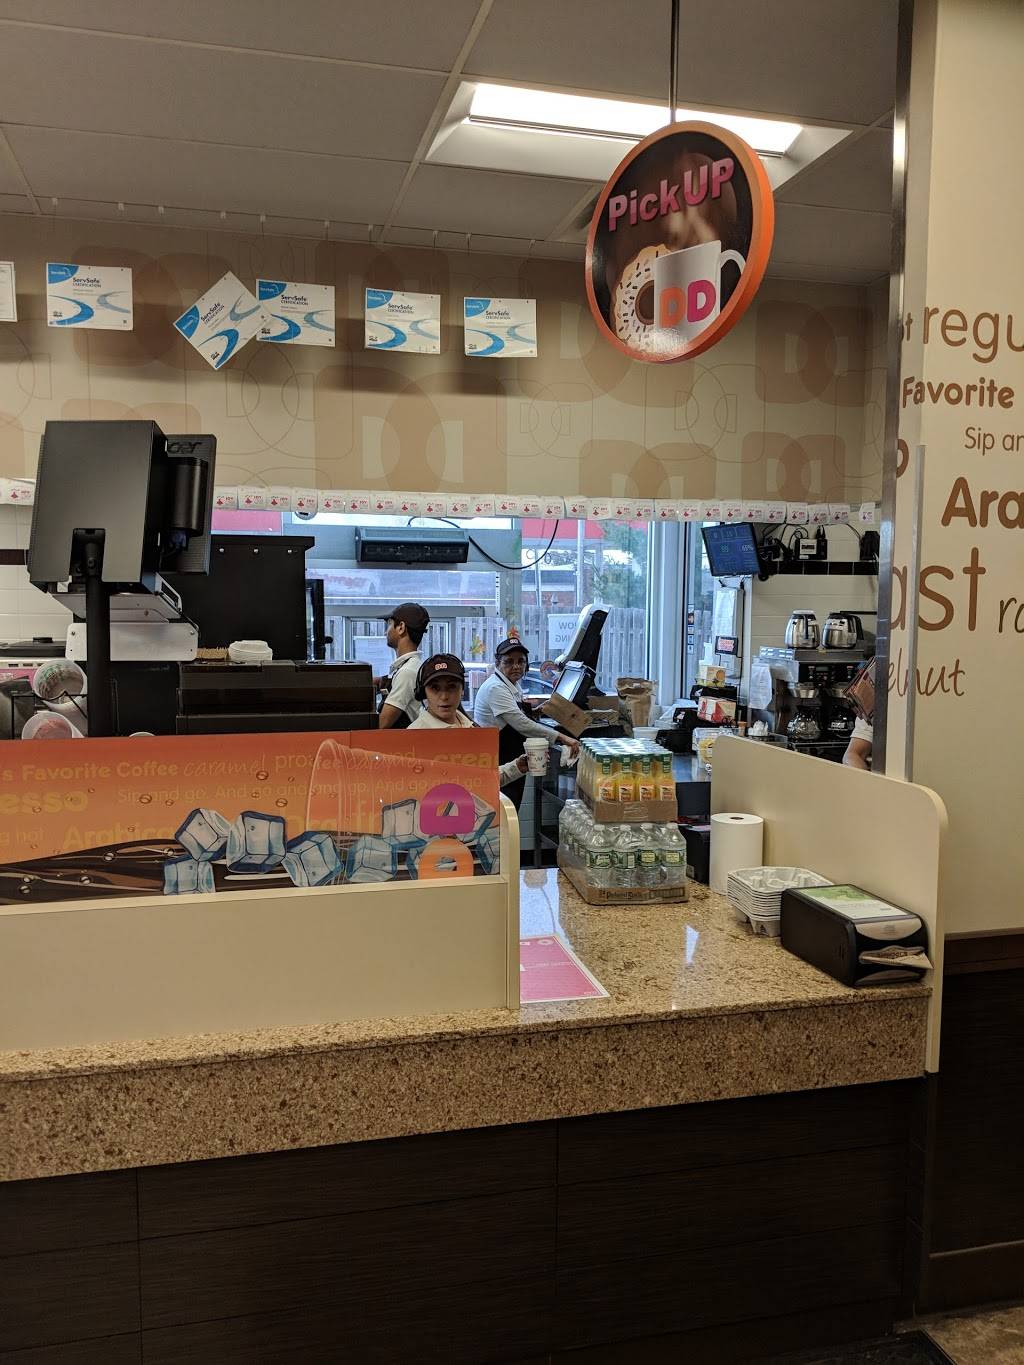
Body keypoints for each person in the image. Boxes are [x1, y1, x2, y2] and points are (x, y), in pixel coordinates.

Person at [473, 637, 579, 809]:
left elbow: (515, 715)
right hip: (499, 759)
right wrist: (563, 738)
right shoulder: (496, 688)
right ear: (498, 663)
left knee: (512, 807)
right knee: (504, 810)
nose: (516, 666)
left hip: (511, 756)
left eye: (520, 661)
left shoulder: (511, 684)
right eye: (509, 662)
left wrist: (536, 711)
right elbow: (522, 724)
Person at [409, 653, 528, 788]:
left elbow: (479, 780)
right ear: (423, 693)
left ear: (462, 690)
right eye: (435, 688)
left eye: (452, 687)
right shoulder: (413, 737)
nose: (444, 696)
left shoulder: (469, 727)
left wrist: (516, 767)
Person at [377, 602, 429, 729]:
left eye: (389, 624)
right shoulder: (411, 666)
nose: (385, 632)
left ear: (401, 627)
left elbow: (381, 725)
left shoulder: (407, 672)